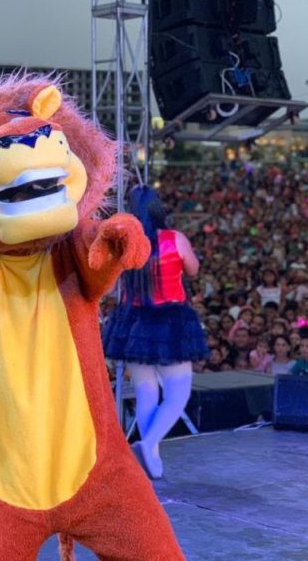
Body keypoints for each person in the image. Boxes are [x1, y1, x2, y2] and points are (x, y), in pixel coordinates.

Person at [102, 185, 208, 479]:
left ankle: (151, 457)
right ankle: (149, 444)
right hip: (169, 320)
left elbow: (110, 286)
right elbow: (193, 269)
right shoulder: (175, 239)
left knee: (146, 391)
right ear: (158, 208)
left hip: (133, 322)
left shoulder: (125, 245)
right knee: (178, 391)